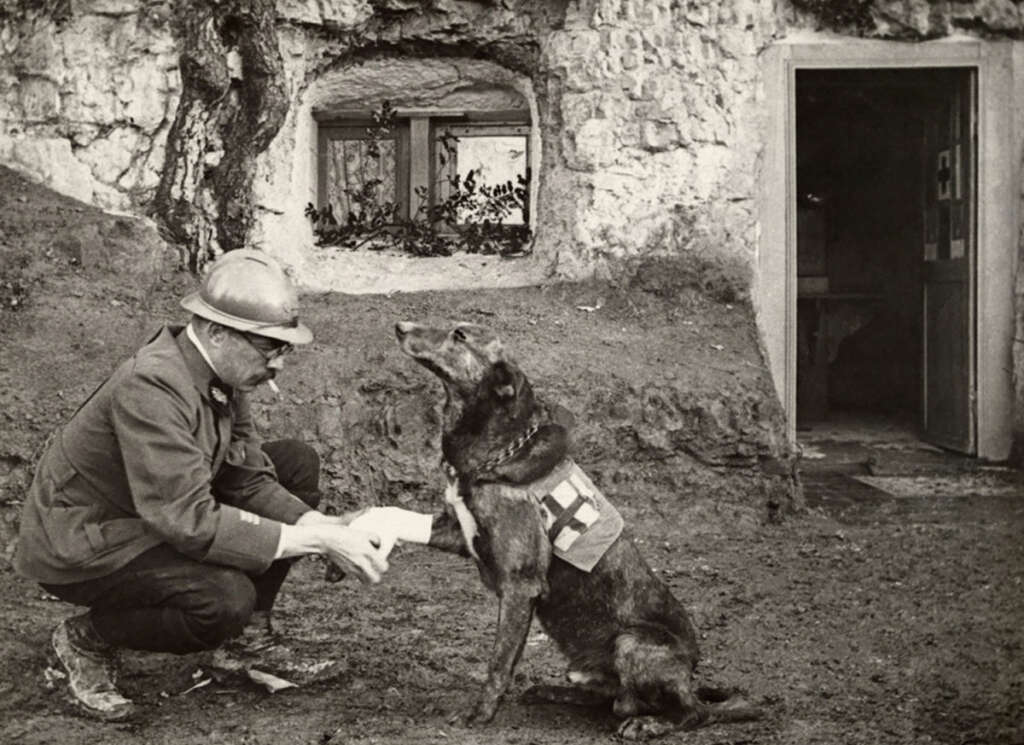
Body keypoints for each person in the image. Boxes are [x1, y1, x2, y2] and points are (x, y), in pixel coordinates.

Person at [12, 249, 429, 722]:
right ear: (216, 331)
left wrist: (325, 525)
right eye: (270, 348)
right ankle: (86, 637)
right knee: (222, 600)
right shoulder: (151, 384)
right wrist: (313, 539)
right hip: (88, 541)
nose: (279, 365)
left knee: (293, 463)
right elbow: (186, 519)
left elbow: (247, 476)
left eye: (283, 349)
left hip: (149, 515)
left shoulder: (220, 375)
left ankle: (247, 645)